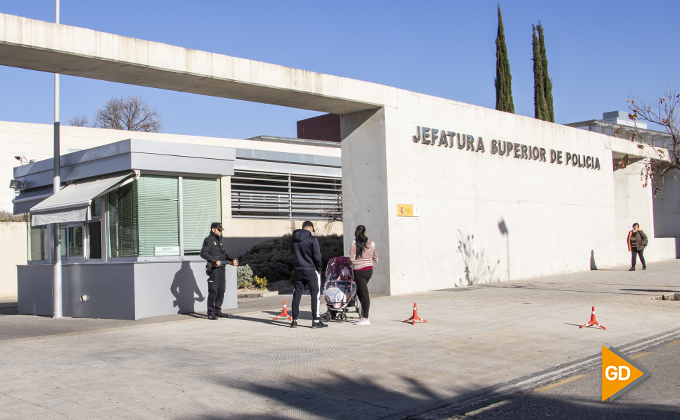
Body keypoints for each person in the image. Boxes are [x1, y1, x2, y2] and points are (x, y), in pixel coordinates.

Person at [290, 221, 326, 328]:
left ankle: (294, 320)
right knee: (315, 294)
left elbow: (292, 251)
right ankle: (315, 320)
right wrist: (319, 269)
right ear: (310, 228)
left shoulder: (294, 239)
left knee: (297, 294)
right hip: (311, 270)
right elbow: (317, 256)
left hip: (298, 269)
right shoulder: (312, 239)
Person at [200, 222, 238, 320]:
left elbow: (223, 254)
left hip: (222, 268)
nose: (220, 231)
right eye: (218, 230)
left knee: (221, 290)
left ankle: (217, 310)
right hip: (214, 269)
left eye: (221, 230)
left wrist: (232, 259)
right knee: (213, 290)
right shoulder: (209, 240)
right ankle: (211, 312)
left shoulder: (219, 240)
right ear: (213, 230)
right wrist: (214, 260)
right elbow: (203, 253)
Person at [349, 225, 378, 325]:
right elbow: (375, 258)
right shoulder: (371, 243)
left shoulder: (355, 243)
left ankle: (366, 318)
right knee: (359, 291)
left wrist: (352, 264)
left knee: (364, 294)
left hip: (359, 271)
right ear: (365, 232)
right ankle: (363, 313)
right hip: (369, 270)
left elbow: (351, 258)